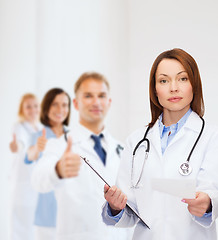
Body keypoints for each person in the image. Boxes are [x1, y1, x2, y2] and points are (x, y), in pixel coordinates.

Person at [102, 48, 218, 240]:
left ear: (194, 84)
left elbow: (214, 194)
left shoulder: (214, 137)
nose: (173, 87)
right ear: (155, 89)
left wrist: (207, 204)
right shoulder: (136, 142)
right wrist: (115, 206)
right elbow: (130, 211)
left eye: (182, 79)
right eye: (164, 80)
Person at [31, 72, 130, 240]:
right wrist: (58, 170)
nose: (96, 102)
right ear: (75, 103)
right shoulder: (59, 144)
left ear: (109, 102)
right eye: (88, 96)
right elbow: (38, 179)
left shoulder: (122, 148)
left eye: (101, 95)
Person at [25, 88, 71, 240]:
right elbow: (29, 156)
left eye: (64, 105)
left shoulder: (73, 135)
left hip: (70, 212)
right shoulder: (39, 136)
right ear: (46, 108)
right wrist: (37, 149)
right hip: (47, 216)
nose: (60, 110)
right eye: (55, 105)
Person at [9, 93, 42, 240]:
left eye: (35, 106)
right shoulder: (19, 127)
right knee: (20, 226)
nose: (32, 110)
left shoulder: (41, 128)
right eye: (28, 106)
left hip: (36, 184)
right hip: (22, 184)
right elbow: (20, 144)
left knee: (33, 227)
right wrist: (16, 146)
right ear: (22, 109)